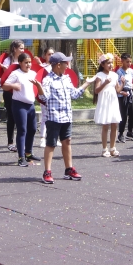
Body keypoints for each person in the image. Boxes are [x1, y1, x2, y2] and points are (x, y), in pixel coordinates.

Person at [37, 52, 86, 184]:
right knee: (51, 144)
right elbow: (44, 98)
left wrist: (87, 83)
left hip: (66, 116)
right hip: (54, 117)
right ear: (58, 65)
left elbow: (74, 94)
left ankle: (69, 169)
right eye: (65, 63)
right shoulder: (48, 80)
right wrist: (39, 87)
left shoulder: (66, 78)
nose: (67, 65)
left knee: (67, 141)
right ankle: (47, 172)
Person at [2, 52, 44, 167]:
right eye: (26, 62)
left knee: (33, 129)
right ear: (20, 63)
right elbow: (4, 85)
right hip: (19, 105)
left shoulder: (33, 73)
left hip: (30, 105)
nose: (28, 64)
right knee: (22, 130)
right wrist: (13, 86)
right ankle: (21, 157)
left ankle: (28, 153)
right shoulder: (16, 73)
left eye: (30, 62)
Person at [0, 40, 26, 153]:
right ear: (14, 49)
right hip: (9, 92)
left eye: (23, 48)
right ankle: (10, 142)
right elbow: (4, 79)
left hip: (20, 91)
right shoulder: (8, 60)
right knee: (11, 117)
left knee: (21, 118)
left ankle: (20, 143)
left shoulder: (24, 60)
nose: (23, 50)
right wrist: (6, 70)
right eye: (21, 48)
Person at [91, 53, 123, 157]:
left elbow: (117, 90)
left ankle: (113, 148)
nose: (111, 65)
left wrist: (123, 83)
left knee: (115, 124)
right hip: (105, 102)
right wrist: (105, 83)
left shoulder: (114, 75)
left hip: (113, 101)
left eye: (111, 63)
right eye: (108, 63)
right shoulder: (100, 75)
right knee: (105, 125)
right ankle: (104, 149)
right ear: (102, 64)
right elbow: (96, 90)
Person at [115, 53, 133, 143]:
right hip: (122, 95)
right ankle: (120, 134)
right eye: (127, 62)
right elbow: (117, 86)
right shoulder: (119, 72)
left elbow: (130, 84)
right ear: (122, 61)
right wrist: (121, 92)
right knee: (124, 115)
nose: (129, 63)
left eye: (130, 62)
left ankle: (130, 132)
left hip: (130, 94)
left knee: (132, 114)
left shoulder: (131, 71)